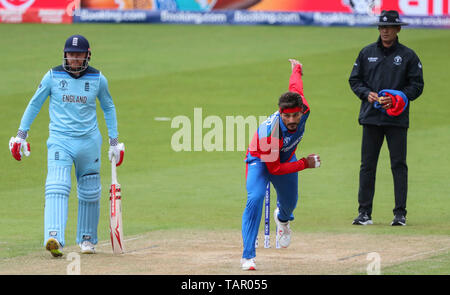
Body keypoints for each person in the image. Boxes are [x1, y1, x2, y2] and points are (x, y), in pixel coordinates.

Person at [9, 35, 125, 257]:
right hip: (60, 140)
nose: (74, 58)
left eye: (78, 54)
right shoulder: (53, 76)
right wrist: (21, 135)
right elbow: (35, 103)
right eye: (71, 54)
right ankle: (54, 238)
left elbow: (108, 107)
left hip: (89, 142)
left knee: (90, 191)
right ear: (65, 55)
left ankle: (87, 239)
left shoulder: (98, 79)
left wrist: (114, 142)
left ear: (87, 55)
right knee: (57, 185)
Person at [241, 59, 321, 270]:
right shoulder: (271, 133)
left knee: (290, 203)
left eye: (296, 115)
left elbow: (295, 87)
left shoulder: (303, 108)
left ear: (302, 110)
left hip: (285, 158)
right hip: (260, 160)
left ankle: (282, 220)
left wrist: (297, 69)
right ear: (280, 113)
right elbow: (274, 169)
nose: (292, 120)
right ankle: (248, 256)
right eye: (287, 116)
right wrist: (305, 163)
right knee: (255, 198)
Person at [349, 10, 424, 226]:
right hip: (371, 117)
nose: (385, 31)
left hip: (396, 119)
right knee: (367, 166)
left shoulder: (408, 56)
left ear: (398, 29)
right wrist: (367, 94)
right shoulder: (366, 53)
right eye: (382, 27)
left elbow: (417, 86)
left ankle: (400, 214)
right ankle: (364, 213)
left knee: (398, 165)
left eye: (389, 27)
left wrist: (398, 98)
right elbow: (355, 80)